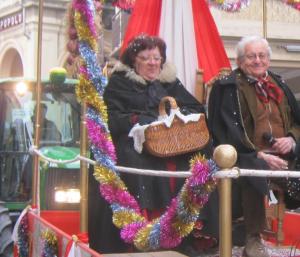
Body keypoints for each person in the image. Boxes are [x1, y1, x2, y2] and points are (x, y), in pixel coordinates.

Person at [88, 34, 213, 254]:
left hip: (170, 141)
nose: (152, 63)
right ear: (134, 61)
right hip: (131, 142)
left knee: (199, 156)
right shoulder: (119, 84)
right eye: (145, 58)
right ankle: (143, 230)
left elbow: (194, 108)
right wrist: (140, 121)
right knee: (134, 158)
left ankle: (188, 228)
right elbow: (113, 119)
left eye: (156, 58)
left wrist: (176, 117)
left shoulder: (170, 82)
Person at [207, 35, 300, 257]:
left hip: (285, 155)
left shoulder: (280, 85)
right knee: (251, 172)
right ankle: (253, 239)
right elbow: (221, 131)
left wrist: (292, 139)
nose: (257, 60)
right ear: (240, 61)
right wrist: (259, 154)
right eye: (251, 56)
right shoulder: (226, 87)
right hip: (245, 153)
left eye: (262, 55)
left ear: (268, 59)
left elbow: (297, 121)